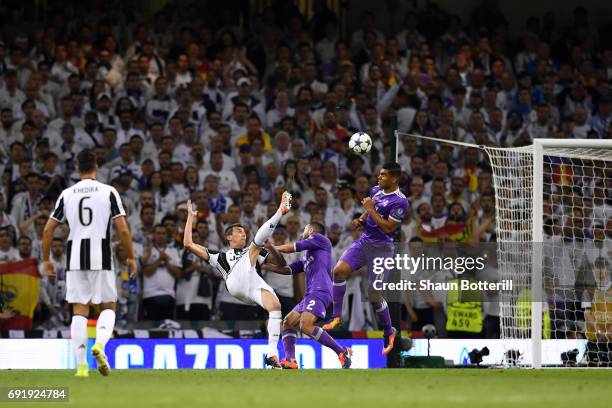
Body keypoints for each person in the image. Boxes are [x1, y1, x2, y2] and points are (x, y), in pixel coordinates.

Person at [41, 149, 137, 378]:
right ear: (97, 167)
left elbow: (47, 230)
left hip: (74, 256)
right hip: (101, 254)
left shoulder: (67, 194)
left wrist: (46, 259)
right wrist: (131, 256)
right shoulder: (108, 191)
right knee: (108, 305)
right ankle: (101, 345)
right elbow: (122, 228)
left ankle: (82, 367)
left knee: (79, 309)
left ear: (77, 168)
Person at [183, 192, 292, 368]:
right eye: (239, 232)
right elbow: (188, 243)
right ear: (229, 237)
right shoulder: (220, 257)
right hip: (234, 281)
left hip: (252, 284)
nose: (243, 234)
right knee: (256, 244)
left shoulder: (254, 252)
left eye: (244, 232)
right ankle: (281, 210)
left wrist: (274, 249)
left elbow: (282, 265)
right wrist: (190, 218)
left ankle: (272, 354)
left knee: (275, 307)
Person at [323, 162, 409, 355]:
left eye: (384, 175)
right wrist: (361, 219)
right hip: (364, 242)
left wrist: (369, 209)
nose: (379, 178)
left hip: (382, 249)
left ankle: (389, 329)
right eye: (379, 174)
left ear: (394, 179)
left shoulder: (400, 202)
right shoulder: (376, 190)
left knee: (374, 294)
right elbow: (369, 209)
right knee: (338, 272)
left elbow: (388, 227)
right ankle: (336, 316)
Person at [262, 222, 353, 369]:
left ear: (310, 230)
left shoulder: (321, 239)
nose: (302, 231)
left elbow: (293, 247)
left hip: (320, 290)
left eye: (304, 229)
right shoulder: (308, 256)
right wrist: (266, 267)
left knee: (305, 325)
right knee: (288, 322)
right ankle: (290, 360)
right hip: (310, 294)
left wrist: (271, 248)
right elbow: (288, 269)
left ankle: (341, 352)